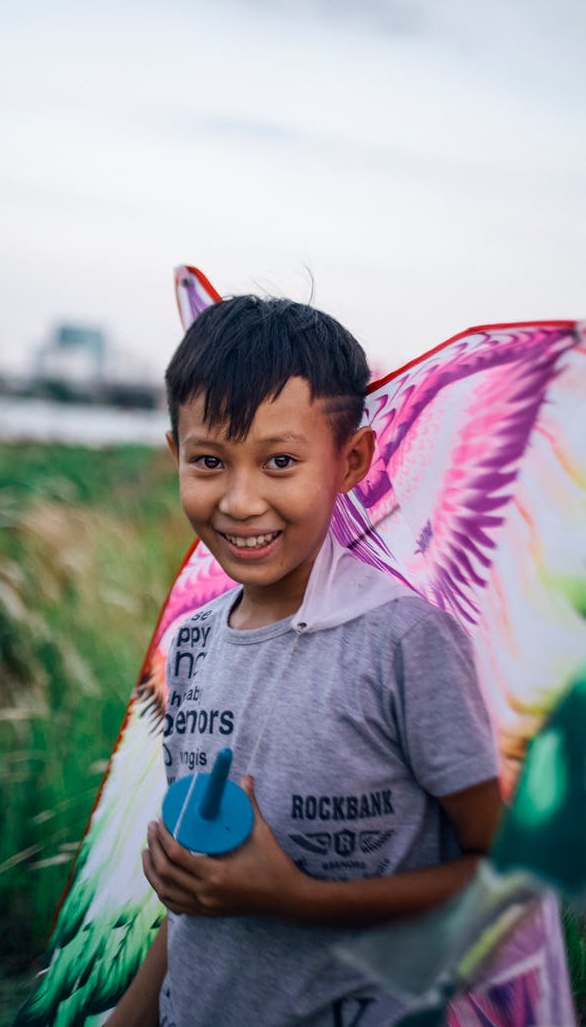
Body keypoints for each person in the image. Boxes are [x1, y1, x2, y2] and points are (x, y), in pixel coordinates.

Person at [107, 295, 503, 1027]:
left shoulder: (403, 643)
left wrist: (297, 899)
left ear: (350, 460)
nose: (240, 499)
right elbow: (205, 902)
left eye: (280, 461)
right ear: (176, 454)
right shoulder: (190, 645)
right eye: (209, 461)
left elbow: (495, 867)